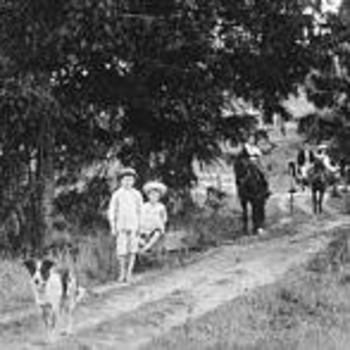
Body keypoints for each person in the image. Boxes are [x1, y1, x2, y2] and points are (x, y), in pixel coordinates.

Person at [108, 167, 143, 283]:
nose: (128, 182)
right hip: (121, 225)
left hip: (133, 225)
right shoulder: (117, 194)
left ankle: (129, 273)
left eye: (130, 180)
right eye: (125, 180)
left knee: (132, 249)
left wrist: (140, 226)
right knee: (122, 250)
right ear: (121, 181)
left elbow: (140, 211)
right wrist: (113, 225)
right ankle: (122, 272)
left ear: (134, 181)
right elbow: (112, 210)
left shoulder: (137, 194)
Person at [139, 181, 168, 255]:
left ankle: (145, 249)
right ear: (148, 196)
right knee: (138, 237)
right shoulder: (144, 206)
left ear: (159, 197)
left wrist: (160, 224)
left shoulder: (161, 207)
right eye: (152, 195)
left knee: (156, 234)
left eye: (156, 196)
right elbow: (142, 217)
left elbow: (164, 218)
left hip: (156, 227)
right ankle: (142, 247)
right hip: (145, 227)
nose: (154, 198)